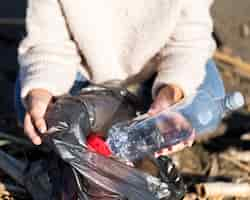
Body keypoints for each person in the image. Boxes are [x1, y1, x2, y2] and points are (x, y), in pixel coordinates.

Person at [17, 0, 216, 155]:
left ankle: (142, 126)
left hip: (155, 69)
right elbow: (49, 42)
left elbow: (188, 43)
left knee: (204, 108)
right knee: (39, 112)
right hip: (81, 68)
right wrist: (42, 90)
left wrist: (172, 93)